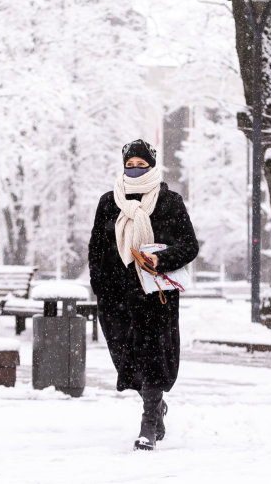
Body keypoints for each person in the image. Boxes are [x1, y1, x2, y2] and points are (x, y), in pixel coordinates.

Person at [88, 139, 199, 451]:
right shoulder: (109, 201)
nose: (135, 169)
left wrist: (161, 260)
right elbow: (96, 247)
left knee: (151, 357)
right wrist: (99, 285)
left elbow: (189, 245)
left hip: (154, 295)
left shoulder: (169, 201)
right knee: (125, 358)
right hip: (114, 295)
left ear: (151, 165)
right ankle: (155, 404)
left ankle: (148, 422)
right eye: (130, 164)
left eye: (141, 164)